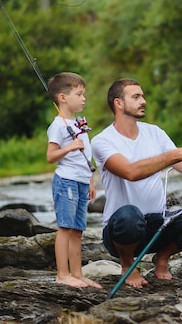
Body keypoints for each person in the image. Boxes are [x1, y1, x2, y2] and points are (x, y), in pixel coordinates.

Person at [91, 78, 182, 288]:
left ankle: (162, 258)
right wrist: (173, 155)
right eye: (136, 97)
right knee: (130, 215)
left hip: (157, 225)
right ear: (118, 103)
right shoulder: (102, 141)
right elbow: (131, 172)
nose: (143, 101)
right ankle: (128, 264)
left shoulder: (155, 132)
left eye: (143, 96)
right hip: (120, 229)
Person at [46, 72, 102, 289]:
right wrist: (69, 146)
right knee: (65, 228)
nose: (83, 98)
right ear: (62, 97)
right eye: (79, 94)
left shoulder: (78, 123)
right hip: (66, 181)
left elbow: (84, 156)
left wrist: (90, 180)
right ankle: (62, 274)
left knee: (78, 229)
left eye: (83, 94)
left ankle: (77, 273)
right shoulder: (58, 126)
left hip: (80, 181)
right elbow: (51, 157)